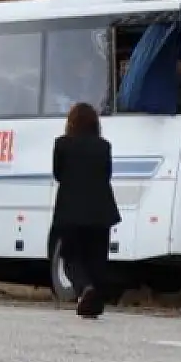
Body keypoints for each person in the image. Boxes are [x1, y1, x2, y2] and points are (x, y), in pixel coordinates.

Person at [51, 102, 120, 318]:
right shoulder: (104, 146)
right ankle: (94, 299)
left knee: (71, 257)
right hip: (100, 211)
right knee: (97, 259)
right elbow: (106, 175)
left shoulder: (62, 144)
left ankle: (85, 289)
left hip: (71, 212)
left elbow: (58, 174)